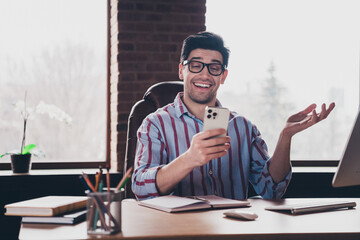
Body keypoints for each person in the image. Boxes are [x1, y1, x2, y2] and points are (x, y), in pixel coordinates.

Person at [132, 31, 335, 200]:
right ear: (181, 71)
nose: (204, 74)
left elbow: (271, 190)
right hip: (178, 231)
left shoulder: (243, 127)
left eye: (214, 68)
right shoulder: (154, 124)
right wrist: (189, 159)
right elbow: (140, 187)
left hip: (232, 231)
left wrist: (285, 137)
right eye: (195, 65)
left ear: (223, 76)